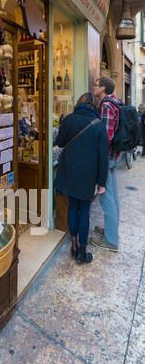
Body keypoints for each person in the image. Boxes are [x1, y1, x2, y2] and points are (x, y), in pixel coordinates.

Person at [55, 92, 109, 265]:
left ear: (80, 103)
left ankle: (73, 246)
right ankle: (82, 252)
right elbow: (103, 156)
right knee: (84, 210)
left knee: (72, 207)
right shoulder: (99, 125)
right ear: (95, 106)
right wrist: (102, 181)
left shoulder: (69, 119)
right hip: (88, 174)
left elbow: (60, 142)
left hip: (70, 171)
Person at [90, 76, 121, 253]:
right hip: (114, 156)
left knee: (105, 198)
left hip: (107, 158)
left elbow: (106, 138)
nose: (94, 87)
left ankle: (111, 240)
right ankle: (112, 231)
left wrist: (99, 161)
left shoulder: (107, 106)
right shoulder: (115, 102)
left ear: (102, 89)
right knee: (113, 196)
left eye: (96, 85)